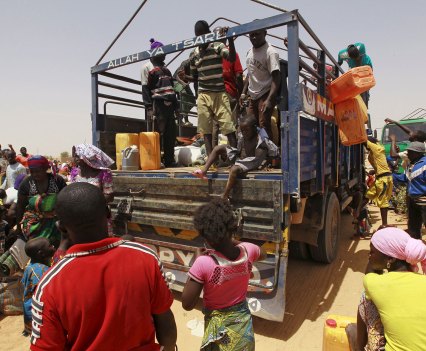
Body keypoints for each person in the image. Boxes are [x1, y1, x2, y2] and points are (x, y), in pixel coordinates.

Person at [30, 183, 177, 351]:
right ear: (108, 213)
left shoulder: (49, 286)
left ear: (61, 227)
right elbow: (165, 319)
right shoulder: (146, 258)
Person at [182, 198, 265, 351]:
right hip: (244, 333)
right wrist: (233, 241)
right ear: (231, 227)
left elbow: (187, 304)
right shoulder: (249, 250)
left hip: (221, 339)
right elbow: (263, 254)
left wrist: (196, 261)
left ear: (206, 238)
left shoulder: (204, 263)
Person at [361, 227, 426, 351]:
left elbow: (369, 272)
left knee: (364, 297)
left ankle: (359, 347)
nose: (369, 255)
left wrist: (379, 234)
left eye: (372, 251)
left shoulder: (376, 284)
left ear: (390, 259)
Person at [0, 155, 66, 277]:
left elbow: (65, 202)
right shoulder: (26, 184)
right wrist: (19, 229)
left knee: (51, 251)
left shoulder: (57, 181)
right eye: (32, 171)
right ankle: (31, 276)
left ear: (46, 168)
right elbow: (20, 207)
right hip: (33, 224)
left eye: (38, 170)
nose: (35, 174)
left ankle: (51, 275)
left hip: (54, 224)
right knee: (31, 251)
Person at [180, 20, 238, 156]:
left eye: (202, 35)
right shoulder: (194, 53)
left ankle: (235, 159)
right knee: (206, 130)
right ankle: (212, 161)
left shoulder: (217, 45)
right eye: (197, 36)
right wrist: (185, 77)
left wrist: (230, 40)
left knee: (228, 127)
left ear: (208, 34)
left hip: (219, 93)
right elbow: (195, 77)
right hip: (203, 94)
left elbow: (232, 58)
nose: (200, 39)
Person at [191, 115, 278, 199]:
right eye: (242, 130)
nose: (244, 133)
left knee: (234, 169)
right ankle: (204, 171)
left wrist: (267, 164)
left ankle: (225, 195)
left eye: (246, 130)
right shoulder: (242, 135)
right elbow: (239, 149)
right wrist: (233, 157)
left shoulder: (261, 140)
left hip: (252, 162)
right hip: (240, 158)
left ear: (255, 128)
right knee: (218, 148)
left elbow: (273, 152)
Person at [142, 40, 178, 168]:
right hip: (158, 104)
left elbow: (172, 88)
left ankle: (169, 159)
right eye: (162, 53)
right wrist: (149, 107)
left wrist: (176, 106)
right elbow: (145, 88)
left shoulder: (166, 70)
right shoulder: (147, 68)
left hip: (169, 105)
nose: (165, 55)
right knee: (157, 133)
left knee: (170, 133)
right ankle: (156, 160)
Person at [241, 28, 281, 140]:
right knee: (249, 124)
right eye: (251, 34)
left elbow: (276, 77)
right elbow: (250, 74)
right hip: (252, 95)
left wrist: (269, 99)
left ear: (265, 33)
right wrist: (243, 93)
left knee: (263, 124)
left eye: (257, 34)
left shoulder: (270, 52)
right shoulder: (250, 52)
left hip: (265, 93)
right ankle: (254, 154)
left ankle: (269, 153)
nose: (254, 37)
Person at [212, 26, 244, 148]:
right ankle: (233, 157)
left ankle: (213, 159)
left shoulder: (209, 54)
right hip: (229, 92)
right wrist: (240, 94)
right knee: (231, 125)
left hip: (214, 93)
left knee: (215, 126)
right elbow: (239, 75)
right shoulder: (232, 53)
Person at [392, 141, 426, 239]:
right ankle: (416, 249)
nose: (408, 154)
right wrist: (390, 174)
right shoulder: (411, 164)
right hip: (412, 201)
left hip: (423, 201)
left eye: (410, 152)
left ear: (418, 153)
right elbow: (405, 178)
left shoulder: (424, 164)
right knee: (413, 227)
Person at [21, 237, 55, 336]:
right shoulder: (42, 271)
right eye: (50, 245)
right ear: (41, 253)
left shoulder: (30, 267)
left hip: (29, 311)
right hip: (39, 314)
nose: (53, 246)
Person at [364, 137, 392, 228]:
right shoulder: (372, 153)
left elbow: (363, 140)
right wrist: (374, 171)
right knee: (368, 195)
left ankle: (384, 224)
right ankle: (357, 212)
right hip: (380, 178)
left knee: (383, 201)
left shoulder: (376, 148)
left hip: (383, 179)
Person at [337, 43, 373, 107]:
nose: (357, 59)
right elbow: (339, 61)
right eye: (355, 58)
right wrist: (339, 63)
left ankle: (364, 107)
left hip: (364, 71)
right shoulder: (343, 54)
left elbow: (369, 72)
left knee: (364, 92)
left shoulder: (362, 50)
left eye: (358, 57)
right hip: (353, 73)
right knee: (352, 92)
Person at [173, 57, 196, 126]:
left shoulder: (197, 65)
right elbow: (177, 75)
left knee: (192, 101)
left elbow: (196, 81)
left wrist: (197, 93)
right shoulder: (185, 63)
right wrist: (183, 84)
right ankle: (184, 120)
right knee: (184, 95)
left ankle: (177, 115)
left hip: (185, 83)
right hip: (176, 81)